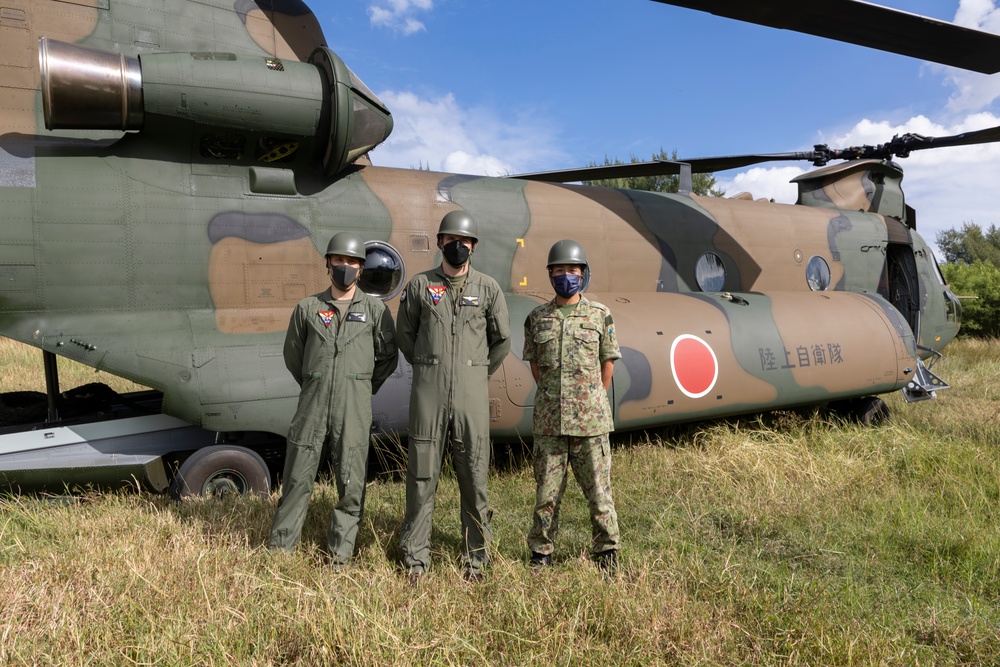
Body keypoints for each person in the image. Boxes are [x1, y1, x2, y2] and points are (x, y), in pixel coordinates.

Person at [268, 232, 398, 566]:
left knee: (351, 484)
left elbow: (387, 357)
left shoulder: (375, 311)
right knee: (297, 479)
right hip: (312, 406)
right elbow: (293, 355)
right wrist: (316, 381)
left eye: (352, 261)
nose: (345, 266)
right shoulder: (308, 309)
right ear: (328, 263)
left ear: (361, 267)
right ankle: (281, 550)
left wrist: (360, 385)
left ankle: (340, 556)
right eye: (338, 260)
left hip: (353, 409)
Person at [396, 210, 511, 581]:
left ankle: (476, 558)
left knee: (475, 475)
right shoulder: (419, 286)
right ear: (441, 242)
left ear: (473, 246)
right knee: (421, 475)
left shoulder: (488, 289)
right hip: (428, 395)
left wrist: (476, 372)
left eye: (465, 241)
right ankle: (415, 558)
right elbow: (405, 334)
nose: (458, 246)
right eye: (451, 239)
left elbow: (502, 341)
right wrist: (430, 366)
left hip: (471, 398)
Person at [522, 239, 622, 571]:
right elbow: (536, 364)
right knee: (546, 495)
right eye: (559, 270)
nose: (566, 276)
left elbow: (607, 362)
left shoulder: (599, 315)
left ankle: (606, 552)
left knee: (599, 494)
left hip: (590, 423)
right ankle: (541, 553)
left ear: (583, 275)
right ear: (550, 275)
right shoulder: (537, 318)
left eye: (572, 270)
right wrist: (556, 396)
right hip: (551, 423)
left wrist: (591, 397)